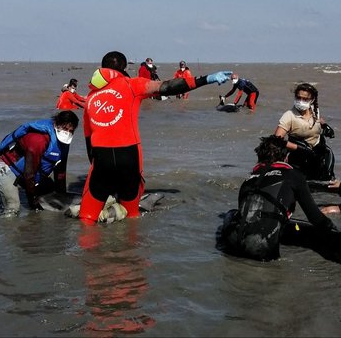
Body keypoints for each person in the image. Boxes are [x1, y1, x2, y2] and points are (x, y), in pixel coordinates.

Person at [79, 51, 232, 225]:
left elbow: (88, 143)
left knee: (87, 219)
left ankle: (88, 250)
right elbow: (169, 86)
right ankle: (131, 250)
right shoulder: (132, 84)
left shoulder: (91, 97)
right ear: (124, 67)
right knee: (131, 218)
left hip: (101, 159)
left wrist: (100, 170)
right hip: (129, 157)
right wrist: (207, 79)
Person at [218, 135, 336, 261]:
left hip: (231, 244)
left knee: (232, 213)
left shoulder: (248, 181)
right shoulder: (294, 176)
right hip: (261, 248)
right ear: (286, 158)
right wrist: (333, 230)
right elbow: (315, 218)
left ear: (259, 158)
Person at [0, 110, 79, 217]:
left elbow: (60, 170)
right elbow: (29, 175)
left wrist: (61, 197)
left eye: (71, 131)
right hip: (6, 168)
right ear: (56, 123)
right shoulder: (38, 139)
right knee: (13, 209)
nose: (67, 133)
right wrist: (34, 203)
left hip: (29, 171)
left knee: (51, 193)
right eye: (65, 128)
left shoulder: (65, 141)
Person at [274, 82, 335, 181]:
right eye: (298, 98)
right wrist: (299, 148)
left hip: (317, 156)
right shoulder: (289, 116)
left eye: (305, 99)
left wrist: (325, 126)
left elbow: (317, 123)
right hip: (298, 159)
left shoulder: (315, 111)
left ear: (312, 100)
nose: (301, 101)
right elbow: (276, 140)